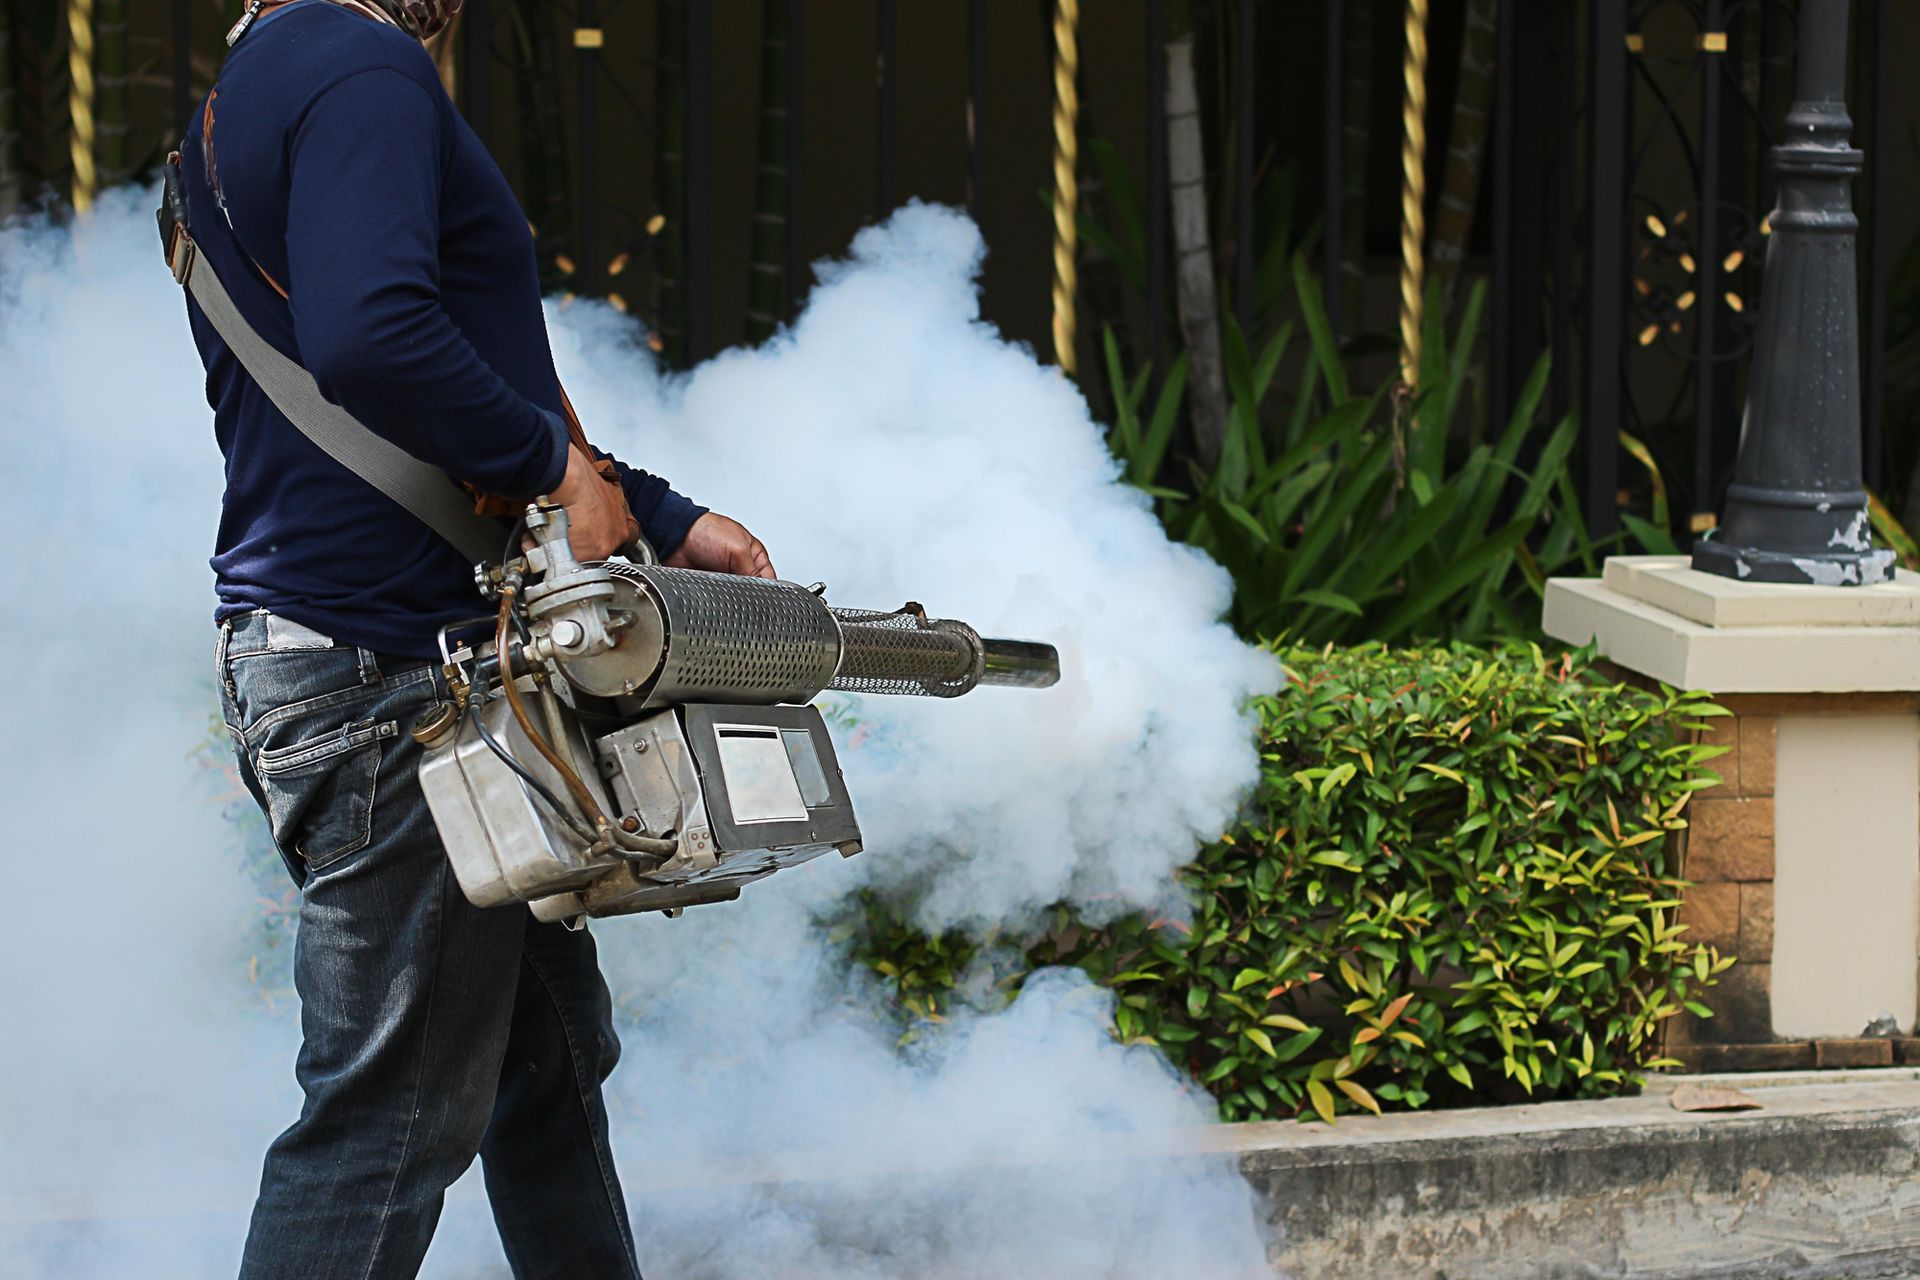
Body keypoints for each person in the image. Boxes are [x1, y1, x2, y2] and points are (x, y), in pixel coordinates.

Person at [177, 1, 771, 1274]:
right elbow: (371, 333)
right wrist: (552, 465)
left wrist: (655, 511)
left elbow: (441, 358)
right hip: (402, 681)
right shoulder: (356, 63)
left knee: (546, 1071)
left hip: (410, 666)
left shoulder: (258, 85)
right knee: (386, 1123)